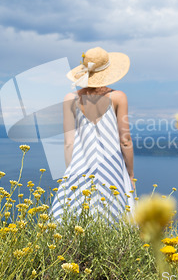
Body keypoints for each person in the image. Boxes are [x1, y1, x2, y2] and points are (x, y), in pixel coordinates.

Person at [50, 47, 136, 222]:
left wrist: (70, 172)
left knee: (73, 219)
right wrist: (131, 174)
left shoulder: (70, 98)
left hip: (80, 167)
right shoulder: (118, 97)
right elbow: (125, 140)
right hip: (112, 167)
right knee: (117, 218)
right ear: (108, 71)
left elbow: (68, 143)